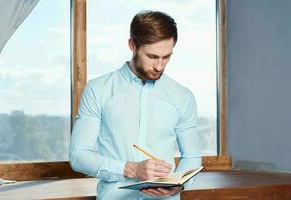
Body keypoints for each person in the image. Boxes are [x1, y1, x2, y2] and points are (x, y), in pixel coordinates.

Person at [69, 10, 202, 200]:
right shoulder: (98, 90)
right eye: (153, 56)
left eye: (167, 57)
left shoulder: (183, 96)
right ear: (132, 45)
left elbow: (192, 156)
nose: (160, 66)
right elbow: (78, 156)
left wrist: (179, 186)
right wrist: (132, 169)